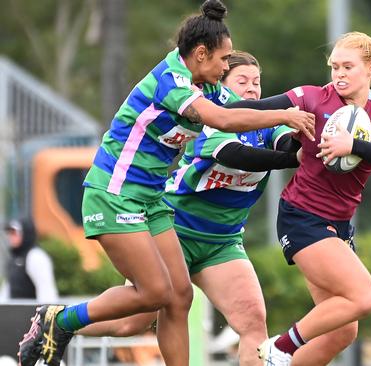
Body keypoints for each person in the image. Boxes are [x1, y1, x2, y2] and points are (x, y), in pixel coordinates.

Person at [16, 1, 315, 365]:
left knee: (179, 297)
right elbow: (222, 120)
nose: (226, 68)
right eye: (224, 60)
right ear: (201, 54)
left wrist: (305, 124)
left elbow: (240, 109)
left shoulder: (206, 83)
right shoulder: (172, 80)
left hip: (151, 201)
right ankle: (58, 319)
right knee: (154, 293)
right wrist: (285, 113)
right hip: (114, 194)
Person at [76, 50, 298, 366]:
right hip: (174, 229)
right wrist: (292, 157)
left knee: (253, 322)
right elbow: (235, 156)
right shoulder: (209, 117)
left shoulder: (267, 126)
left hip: (221, 243)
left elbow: (288, 144)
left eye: (257, 83)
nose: (251, 89)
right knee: (132, 323)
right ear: (222, 86)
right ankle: (61, 326)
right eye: (242, 81)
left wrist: (313, 138)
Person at [226, 31, 371, 366]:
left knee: (343, 332)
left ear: (370, 69)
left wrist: (352, 145)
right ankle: (280, 348)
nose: (339, 74)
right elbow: (251, 109)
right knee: (365, 297)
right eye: (334, 67)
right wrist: (204, 109)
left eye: (348, 67)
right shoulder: (310, 98)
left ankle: (277, 358)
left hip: (339, 225)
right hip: (302, 216)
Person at [1, 218, 58, 303]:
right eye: (10, 233)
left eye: (14, 233)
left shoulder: (36, 256)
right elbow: (6, 291)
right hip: (15, 314)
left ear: (25, 233)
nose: (11, 237)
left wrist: (44, 314)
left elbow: (46, 292)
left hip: (32, 314)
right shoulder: (14, 258)